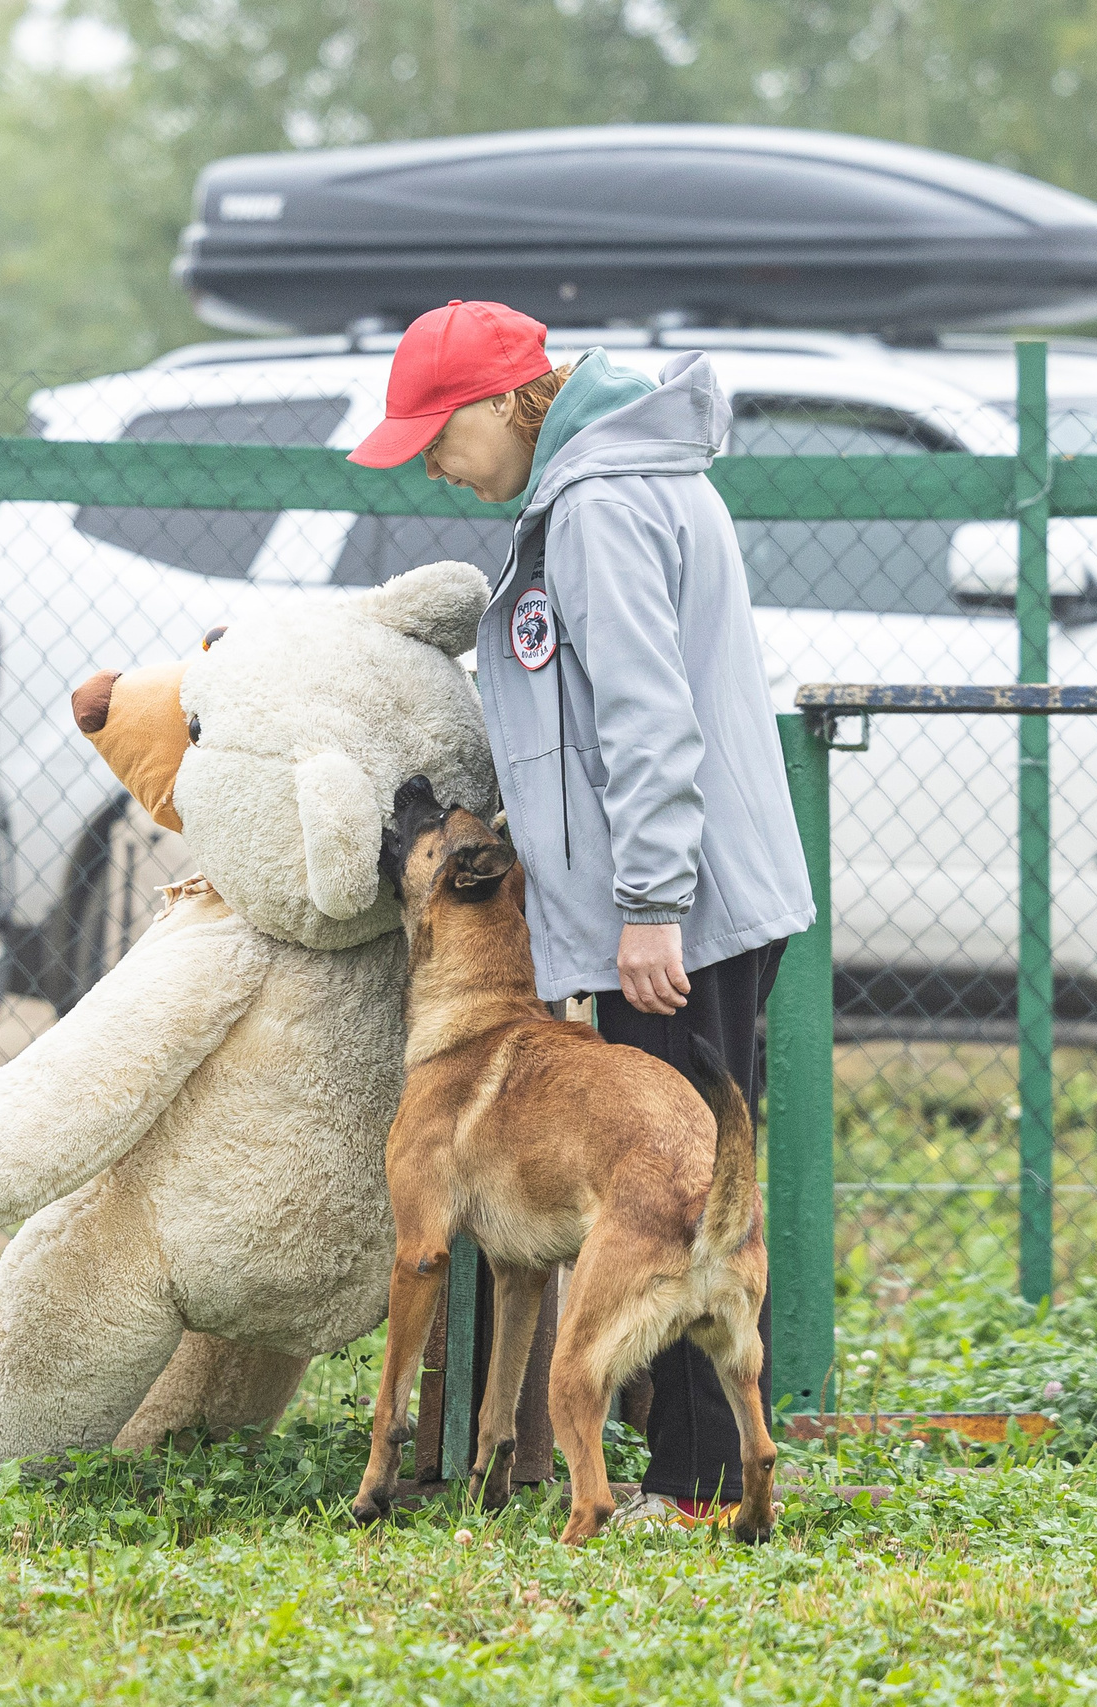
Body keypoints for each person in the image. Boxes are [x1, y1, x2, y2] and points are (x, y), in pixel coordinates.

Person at [349, 300, 814, 1528]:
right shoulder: (610, 486)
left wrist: (651, 902)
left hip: (677, 905)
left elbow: (648, 721)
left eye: (438, 436)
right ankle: (686, 1472)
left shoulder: (603, 505)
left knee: (676, 1194)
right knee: (690, 1183)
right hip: (680, 894)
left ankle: (698, 1487)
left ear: (510, 403)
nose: (435, 464)